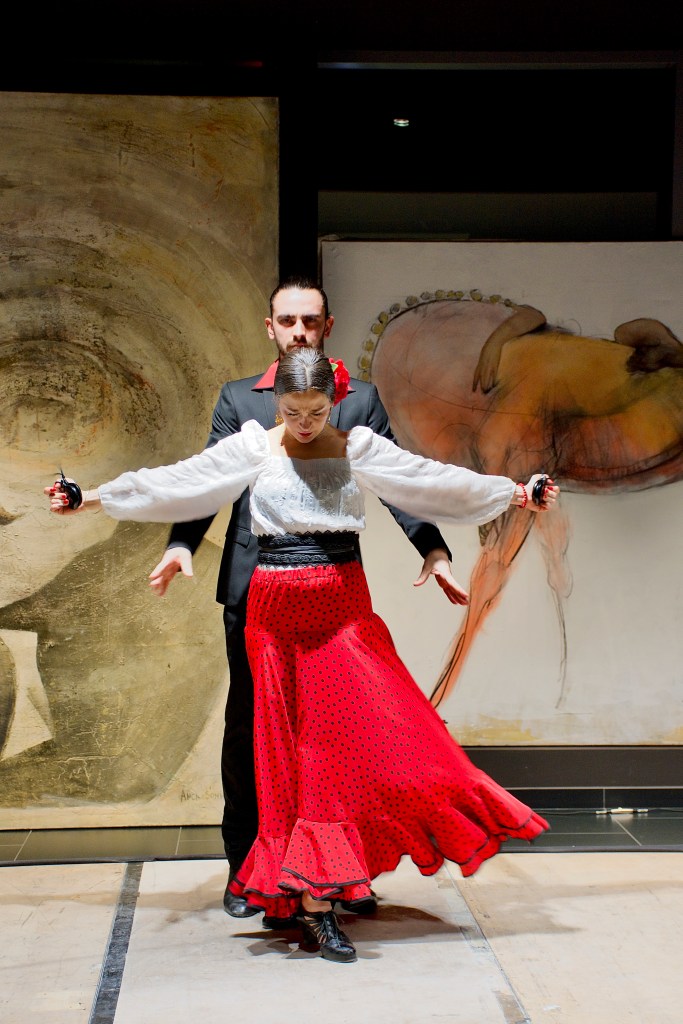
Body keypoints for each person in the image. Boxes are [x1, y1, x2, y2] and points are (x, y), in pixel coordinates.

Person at [46, 347, 559, 964]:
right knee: (295, 755)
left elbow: (433, 481)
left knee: (381, 736)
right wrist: (88, 497)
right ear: (277, 404)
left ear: (333, 402)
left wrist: (517, 493)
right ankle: (312, 902)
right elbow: (179, 481)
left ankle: (332, 880)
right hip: (274, 616)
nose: (305, 423)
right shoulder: (253, 446)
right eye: (293, 412)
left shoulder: (357, 447)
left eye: (316, 412)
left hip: (342, 609)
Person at [147, 275, 468, 923]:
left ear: (326, 327)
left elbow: (398, 482)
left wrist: (433, 550)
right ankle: (248, 870)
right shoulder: (239, 398)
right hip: (256, 589)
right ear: (270, 327)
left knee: (340, 735)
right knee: (252, 730)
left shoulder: (360, 401)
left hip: (332, 596)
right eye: (287, 320)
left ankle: (341, 870)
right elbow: (208, 481)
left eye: (310, 321)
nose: (299, 331)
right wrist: (181, 544)